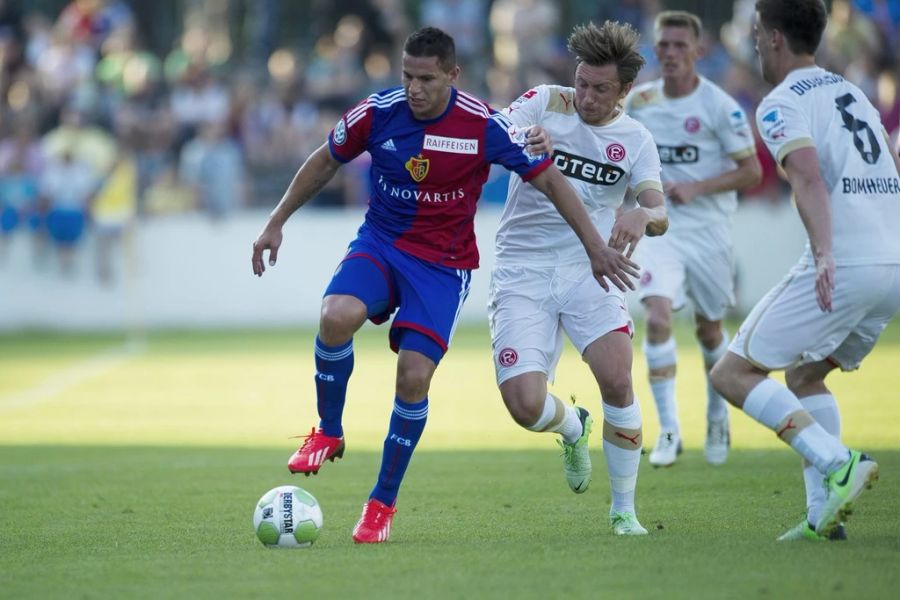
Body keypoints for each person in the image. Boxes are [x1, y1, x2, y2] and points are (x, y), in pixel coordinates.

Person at [251, 26, 637, 544]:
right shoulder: (376, 112)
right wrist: (276, 221)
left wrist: (594, 246)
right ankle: (329, 430)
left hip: (443, 265)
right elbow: (325, 160)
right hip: (382, 244)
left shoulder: (481, 126)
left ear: (452, 76)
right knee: (334, 315)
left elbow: (548, 179)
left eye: (427, 79)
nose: (414, 88)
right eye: (408, 76)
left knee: (413, 376)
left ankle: (381, 504)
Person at [710, 0, 900, 541]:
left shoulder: (780, 103)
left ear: (773, 38)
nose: (751, 45)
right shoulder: (855, 93)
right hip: (893, 263)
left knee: (733, 373)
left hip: (849, 261)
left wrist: (823, 252)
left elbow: (808, 180)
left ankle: (839, 463)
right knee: (805, 374)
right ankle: (823, 517)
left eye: (753, 35)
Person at [491, 20, 667, 536]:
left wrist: (641, 216)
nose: (585, 96)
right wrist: (525, 134)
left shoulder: (636, 140)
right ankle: (572, 427)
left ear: (625, 91)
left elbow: (659, 209)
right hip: (522, 267)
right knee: (525, 406)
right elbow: (495, 129)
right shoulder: (546, 100)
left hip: (592, 268)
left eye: (600, 89)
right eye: (582, 83)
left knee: (617, 377)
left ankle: (623, 511)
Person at [624, 10, 762, 468]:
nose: (669, 53)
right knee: (658, 317)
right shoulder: (639, 102)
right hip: (659, 229)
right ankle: (668, 430)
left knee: (709, 330)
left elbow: (752, 170)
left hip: (708, 233)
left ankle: (717, 413)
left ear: (698, 52)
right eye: (663, 45)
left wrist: (696, 188)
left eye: (680, 45)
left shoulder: (720, 107)